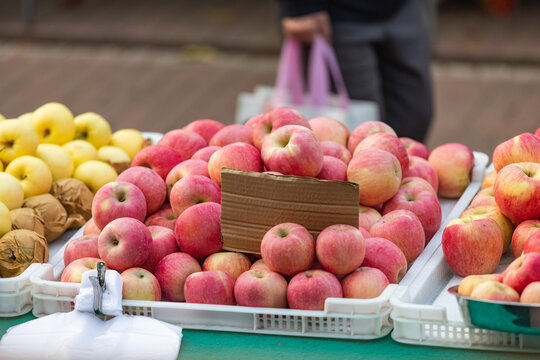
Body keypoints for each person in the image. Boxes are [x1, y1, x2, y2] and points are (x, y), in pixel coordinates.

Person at [278, 0, 433, 142]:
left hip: (402, 8)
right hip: (337, 16)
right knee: (355, 129)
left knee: (414, 120)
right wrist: (299, 6)